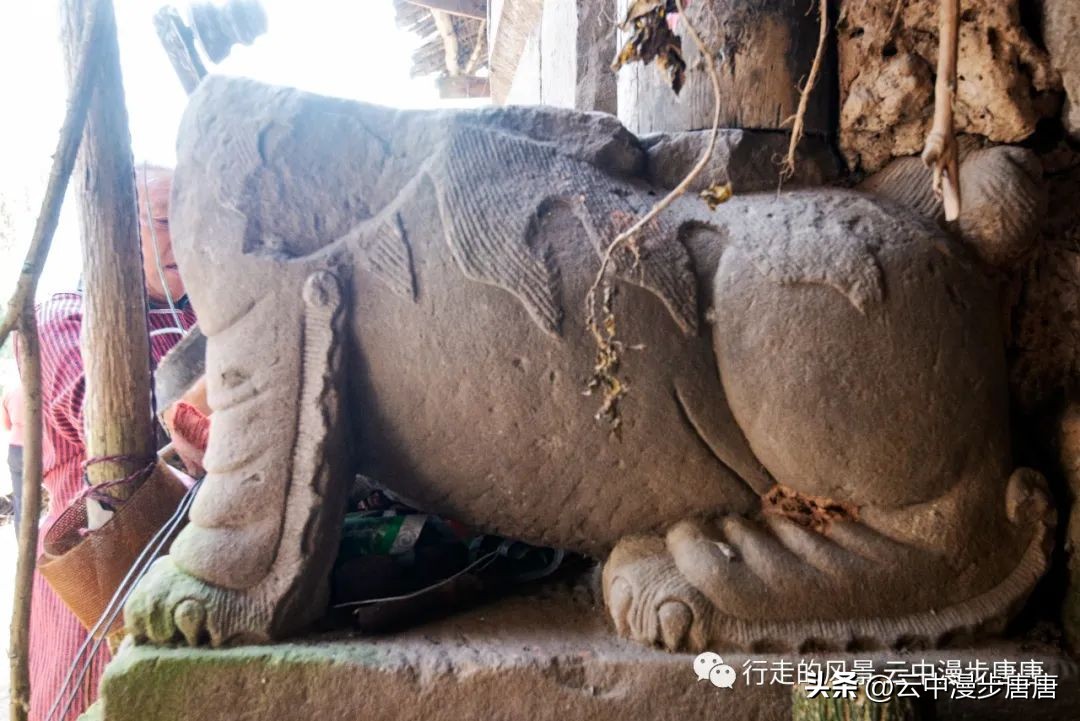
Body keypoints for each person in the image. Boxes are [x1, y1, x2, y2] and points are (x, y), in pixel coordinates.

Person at [22, 164, 196, 721]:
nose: (188, 233)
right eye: (167, 218)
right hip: (102, 567)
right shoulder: (62, 319)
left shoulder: (200, 314)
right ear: (116, 230)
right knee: (96, 699)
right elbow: (123, 431)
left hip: (187, 564)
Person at [2, 379, 24, 526]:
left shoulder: (11, 388)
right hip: (45, 448)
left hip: (16, 450)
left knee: (21, 502)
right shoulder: (48, 381)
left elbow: (6, 425)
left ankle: (24, 547)